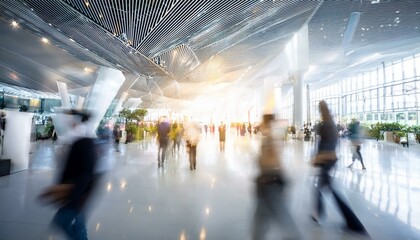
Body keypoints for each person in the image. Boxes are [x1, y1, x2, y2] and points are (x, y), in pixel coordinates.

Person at [311, 101, 368, 235]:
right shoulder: (330, 123)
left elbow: (327, 147)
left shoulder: (326, 125)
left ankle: (353, 223)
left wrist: (317, 158)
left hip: (326, 160)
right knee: (320, 187)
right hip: (328, 160)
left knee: (329, 190)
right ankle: (317, 213)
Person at [50, 110, 98, 240]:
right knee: (79, 222)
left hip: (76, 191)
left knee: (62, 222)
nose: (67, 122)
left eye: (70, 119)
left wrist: (76, 192)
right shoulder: (85, 138)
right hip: (78, 190)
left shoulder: (79, 140)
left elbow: (84, 170)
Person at [252, 114, 302, 240]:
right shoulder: (270, 137)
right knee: (261, 219)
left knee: (282, 218)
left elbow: (275, 161)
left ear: (266, 123)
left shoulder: (270, 139)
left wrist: (280, 175)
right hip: (266, 183)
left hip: (270, 183)